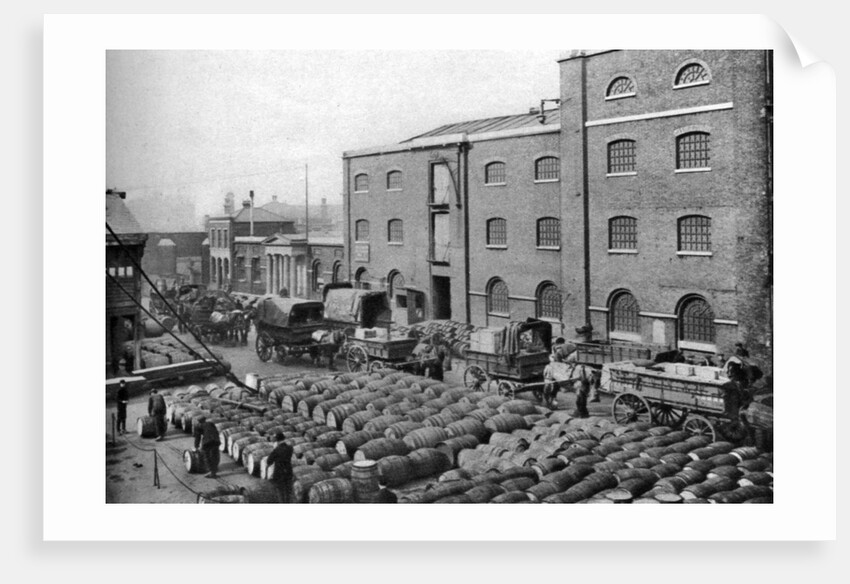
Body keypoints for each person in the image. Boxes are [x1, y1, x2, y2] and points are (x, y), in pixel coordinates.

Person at [266, 432, 294, 503]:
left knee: (280, 492)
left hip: (279, 473)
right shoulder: (290, 448)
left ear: (277, 441)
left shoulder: (277, 450)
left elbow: (269, 461)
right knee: (288, 492)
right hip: (288, 472)